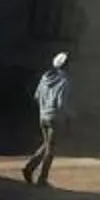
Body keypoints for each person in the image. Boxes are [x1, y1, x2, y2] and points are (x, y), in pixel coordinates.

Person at [24, 51, 72, 186]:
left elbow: (36, 96)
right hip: (55, 117)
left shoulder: (45, 78)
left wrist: (44, 107)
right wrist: (69, 117)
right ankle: (41, 178)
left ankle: (29, 168)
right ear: (65, 66)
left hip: (43, 116)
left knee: (47, 145)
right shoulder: (65, 81)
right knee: (51, 150)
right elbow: (61, 103)